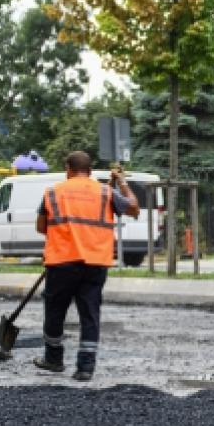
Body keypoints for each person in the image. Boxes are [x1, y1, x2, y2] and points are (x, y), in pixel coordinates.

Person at [34, 152, 140, 381]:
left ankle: (53, 359)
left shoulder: (53, 192)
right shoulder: (105, 192)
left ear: (68, 169)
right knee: (90, 314)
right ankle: (85, 368)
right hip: (95, 263)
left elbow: (41, 227)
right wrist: (121, 182)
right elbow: (133, 208)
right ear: (90, 171)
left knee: (55, 310)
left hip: (62, 261)